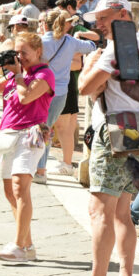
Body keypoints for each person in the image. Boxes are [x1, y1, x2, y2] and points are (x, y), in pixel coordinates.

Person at [58, 0, 139, 276]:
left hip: (114, 132)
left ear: (121, 14)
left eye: (104, 18)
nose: (100, 25)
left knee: (100, 210)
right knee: (123, 212)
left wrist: (91, 64)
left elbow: (87, 87)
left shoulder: (115, 49)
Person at [0, 31, 54, 264]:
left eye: (24, 52)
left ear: (38, 52)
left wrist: (17, 75)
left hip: (31, 134)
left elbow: (26, 98)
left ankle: (17, 246)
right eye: (17, 52)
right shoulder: (17, 74)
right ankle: (27, 245)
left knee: (19, 186)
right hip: (7, 135)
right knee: (9, 191)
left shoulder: (44, 75)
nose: (20, 57)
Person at [31, 10, 97, 182]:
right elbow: (93, 47)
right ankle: (39, 168)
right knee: (47, 128)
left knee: (41, 129)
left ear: (45, 24)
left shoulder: (40, 41)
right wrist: (79, 37)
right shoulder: (70, 41)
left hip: (41, 90)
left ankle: (40, 170)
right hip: (61, 92)